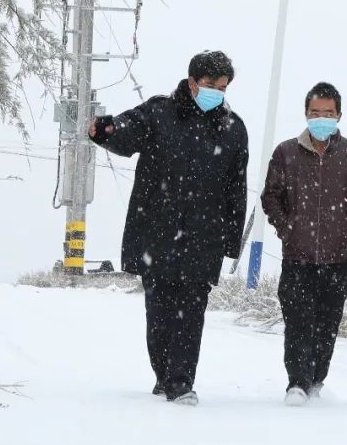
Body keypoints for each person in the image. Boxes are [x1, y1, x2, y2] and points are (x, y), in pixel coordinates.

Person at [89, 51, 248, 406]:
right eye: (210, 86)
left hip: (203, 238)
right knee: (159, 313)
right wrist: (106, 130)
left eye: (222, 88)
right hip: (157, 234)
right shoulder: (159, 112)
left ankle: (181, 382)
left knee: (191, 314)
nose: (217, 93)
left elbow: (236, 189)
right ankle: (164, 374)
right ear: (193, 83)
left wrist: (230, 242)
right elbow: (126, 133)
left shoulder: (233, 128)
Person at [262, 82, 347, 406]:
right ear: (306, 114)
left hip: (337, 259)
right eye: (316, 112)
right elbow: (270, 196)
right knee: (298, 321)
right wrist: (287, 229)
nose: (321, 118)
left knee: (327, 324)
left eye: (328, 112)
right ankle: (296, 382)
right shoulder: (286, 152)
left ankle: (316, 378)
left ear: (339, 115)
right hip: (296, 256)